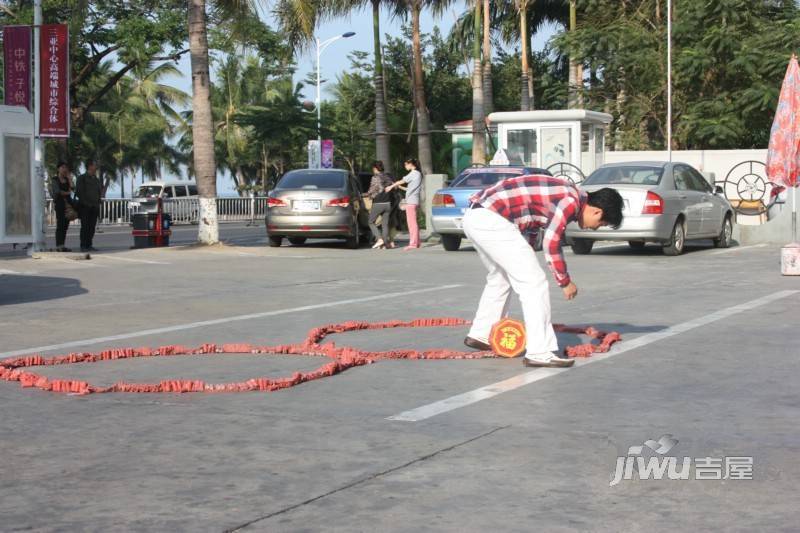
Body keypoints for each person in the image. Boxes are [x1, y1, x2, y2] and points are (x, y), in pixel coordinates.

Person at [461, 174, 624, 368]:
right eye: (602, 224)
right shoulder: (570, 200)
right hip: (491, 219)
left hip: (476, 216)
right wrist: (564, 281)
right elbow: (551, 242)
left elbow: (532, 225)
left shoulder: (566, 195)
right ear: (597, 212)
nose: (596, 228)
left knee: (501, 276)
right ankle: (540, 351)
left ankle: (481, 333)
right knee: (534, 282)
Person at [385, 158, 422, 250]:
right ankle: (417, 243)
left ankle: (413, 244)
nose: (405, 166)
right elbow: (409, 188)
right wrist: (400, 187)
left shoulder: (414, 173)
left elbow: (402, 180)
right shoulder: (417, 174)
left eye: (406, 164)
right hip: (413, 200)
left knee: (411, 224)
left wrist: (391, 186)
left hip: (411, 201)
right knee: (413, 223)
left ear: (411, 164)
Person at [366, 161, 397, 249]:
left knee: (371, 222)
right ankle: (385, 244)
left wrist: (366, 195)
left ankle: (379, 239)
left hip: (378, 202)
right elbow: (394, 187)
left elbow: (371, 191)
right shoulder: (387, 177)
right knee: (384, 224)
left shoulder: (375, 178)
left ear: (375, 169)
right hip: (388, 203)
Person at [76, 159, 103, 252]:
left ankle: (89, 244)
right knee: (85, 226)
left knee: (92, 227)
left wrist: (98, 202)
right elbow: (79, 192)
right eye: (95, 165)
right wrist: (86, 203)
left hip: (95, 206)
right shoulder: (82, 178)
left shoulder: (96, 179)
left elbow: (98, 192)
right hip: (85, 207)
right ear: (90, 166)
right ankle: (83, 245)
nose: (96, 167)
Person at [49, 161, 74, 252]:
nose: (64, 169)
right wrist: (67, 192)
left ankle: (62, 245)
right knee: (60, 225)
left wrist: (70, 179)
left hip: (68, 205)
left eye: (66, 167)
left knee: (65, 225)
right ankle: (59, 245)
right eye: (62, 167)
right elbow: (57, 191)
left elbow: (72, 188)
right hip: (60, 204)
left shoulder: (67, 179)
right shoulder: (55, 179)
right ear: (58, 169)